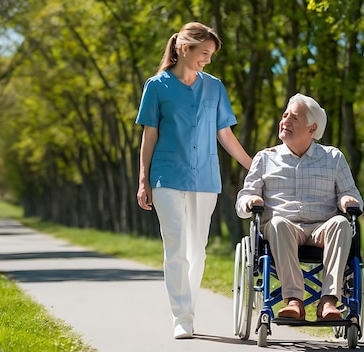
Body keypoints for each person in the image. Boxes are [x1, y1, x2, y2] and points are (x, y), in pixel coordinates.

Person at [136, 22, 252, 339]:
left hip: (205, 177)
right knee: (175, 247)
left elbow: (225, 134)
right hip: (166, 176)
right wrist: (143, 179)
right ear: (184, 49)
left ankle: (188, 309)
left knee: (197, 250)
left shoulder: (214, 87)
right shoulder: (156, 86)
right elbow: (150, 134)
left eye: (211, 55)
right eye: (204, 53)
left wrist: (253, 165)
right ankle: (182, 317)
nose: (208, 60)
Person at [235, 93, 363, 321]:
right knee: (276, 224)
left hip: (322, 229)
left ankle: (328, 301)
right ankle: (294, 300)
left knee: (343, 224)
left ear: (312, 128)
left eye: (294, 118)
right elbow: (245, 195)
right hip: (283, 228)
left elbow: (351, 194)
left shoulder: (333, 158)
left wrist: (347, 201)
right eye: (284, 115)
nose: (285, 121)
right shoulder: (265, 158)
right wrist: (249, 201)